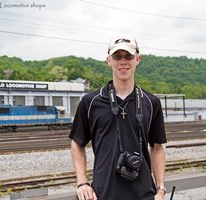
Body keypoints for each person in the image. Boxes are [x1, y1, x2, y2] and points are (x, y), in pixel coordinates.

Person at [69, 35, 167, 200]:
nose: (123, 61)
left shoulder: (151, 102)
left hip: (145, 195)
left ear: (137, 59)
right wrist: (82, 182)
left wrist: (161, 188)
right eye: (117, 56)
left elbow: (157, 148)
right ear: (109, 60)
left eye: (128, 56)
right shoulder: (90, 102)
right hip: (103, 194)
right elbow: (77, 143)